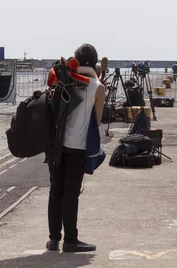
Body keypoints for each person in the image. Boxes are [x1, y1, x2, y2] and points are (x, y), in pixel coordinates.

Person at [47, 43, 104, 253]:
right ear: (95, 63)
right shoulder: (97, 87)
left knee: (55, 190)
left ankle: (53, 239)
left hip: (56, 144)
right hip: (78, 147)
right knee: (71, 193)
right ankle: (71, 240)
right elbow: (96, 122)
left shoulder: (62, 78)